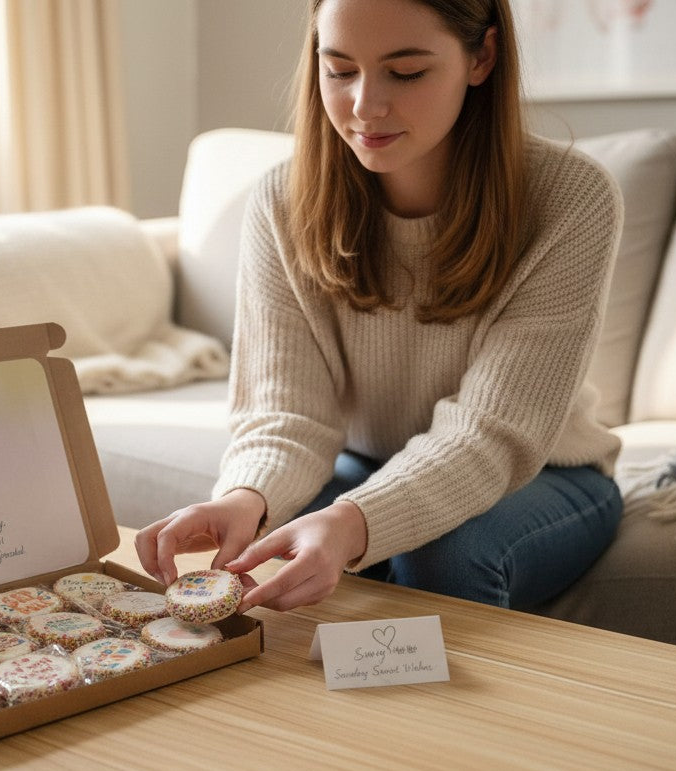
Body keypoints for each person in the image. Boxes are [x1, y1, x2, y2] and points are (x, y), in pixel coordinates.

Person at [136, 0, 625, 615]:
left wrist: (356, 520)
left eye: (406, 72)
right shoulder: (283, 202)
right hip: (366, 461)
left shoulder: (571, 199)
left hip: (545, 472)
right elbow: (287, 412)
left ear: (482, 57)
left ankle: (440, 714)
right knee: (260, 543)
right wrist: (247, 496)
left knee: (440, 554)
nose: (365, 105)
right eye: (339, 70)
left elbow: (492, 432)